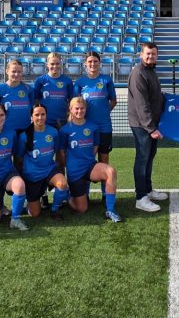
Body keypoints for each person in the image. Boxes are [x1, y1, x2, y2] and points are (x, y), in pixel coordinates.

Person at [59, 97, 122, 222]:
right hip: (75, 171)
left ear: (86, 109)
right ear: (71, 109)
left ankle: (110, 210)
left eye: (82, 108)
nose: (79, 111)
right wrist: (70, 165)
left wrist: (88, 159)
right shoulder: (65, 130)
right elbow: (61, 152)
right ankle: (67, 194)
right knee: (81, 209)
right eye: (77, 108)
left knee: (110, 171)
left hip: (90, 166)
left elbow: (95, 146)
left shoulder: (93, 127)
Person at [127, 42, 168, 212]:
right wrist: (151, 128)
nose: (151, 56)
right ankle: (140, 197)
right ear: (141, 55)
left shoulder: (151, 71)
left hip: (150, 124)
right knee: (142, 158)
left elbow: (155, 97)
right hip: (142, 125)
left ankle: (148, 189)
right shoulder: (138, 73)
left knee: (149, 157)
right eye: (148, 54)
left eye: (153, 54)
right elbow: (141, 104)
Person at [73, 51, 117, 201]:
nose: (92, 64)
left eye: (95, 61)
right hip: (86, 129)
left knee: (104, 159)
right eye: (90, 62)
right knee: (87, 160)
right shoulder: (80, 83)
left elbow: (113, 101)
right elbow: (75, 104)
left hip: (104, 127)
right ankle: (85, 193)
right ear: (85, 64)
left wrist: (103, 113)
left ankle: (105, 193)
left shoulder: (106, 80)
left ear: (99, 63)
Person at [16, 104, 70, 220]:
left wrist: (58, 168)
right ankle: (30, 200)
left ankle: (55, 210)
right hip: (32, 175)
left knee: (62, 183)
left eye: (43, 114)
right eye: (37, 115)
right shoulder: (24, 136)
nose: (40, 117)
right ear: (31, 116)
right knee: (35, 214)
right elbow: (19, 158)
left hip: (49, 170)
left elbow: (56, 151)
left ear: (46, 115)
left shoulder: (53, 132)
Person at [0, 59, 34, 134]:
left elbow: (32, 108)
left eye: (19, 72)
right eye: (13, 71)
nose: (16, 74)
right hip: (5, 131)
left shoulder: (29, 89)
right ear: (7, 71)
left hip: (25, 130)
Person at [33, 52, 74, 130]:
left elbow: (71, 101)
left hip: (62, 121)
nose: (55, 66)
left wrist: (70, 115)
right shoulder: (40, 81)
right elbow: (35, 100)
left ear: (61, 64)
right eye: (52, 64)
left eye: (57, 63)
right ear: (47, 65)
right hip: (45, 121)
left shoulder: (67, 81)